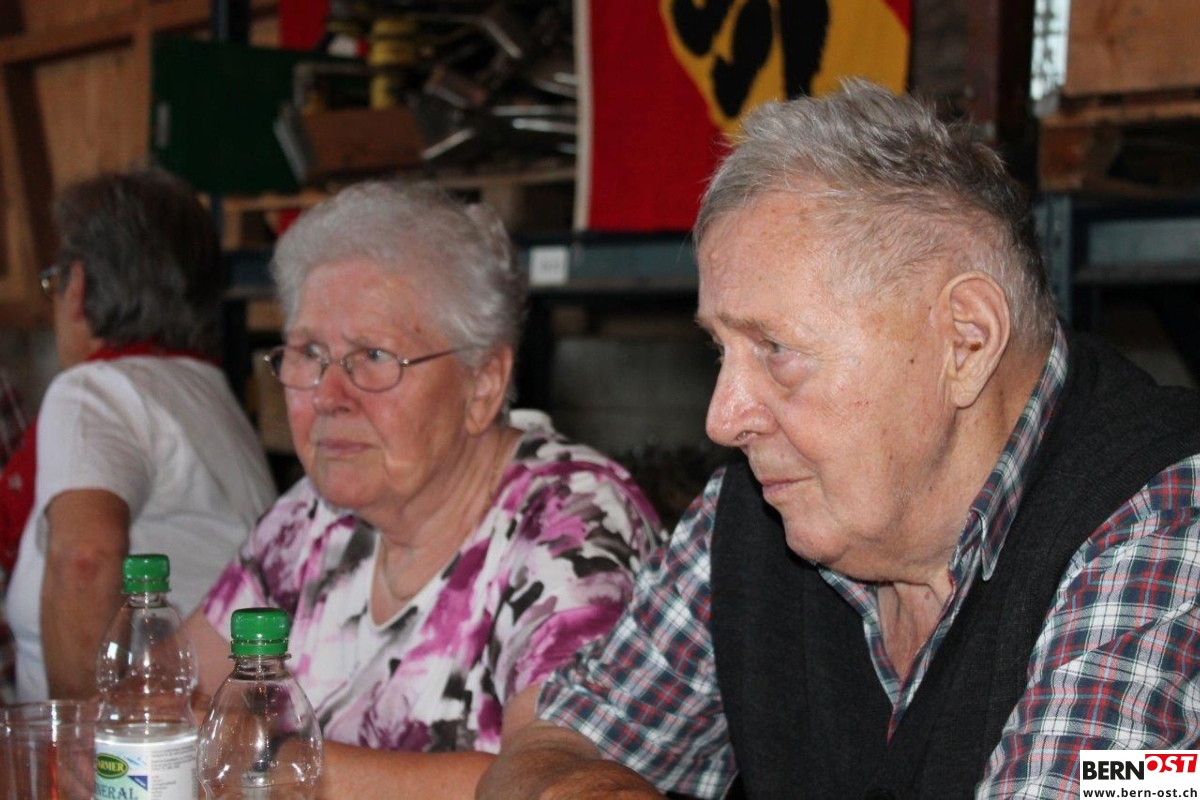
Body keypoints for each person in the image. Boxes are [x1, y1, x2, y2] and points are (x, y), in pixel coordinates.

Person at [478, 80, 1200, 799]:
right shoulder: (758, 515)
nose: (723, 419)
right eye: (721, 351)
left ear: (967, 341)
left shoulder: (1165, 520)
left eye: (776, 349)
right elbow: (552, 741)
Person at [181, 180, 662, 797]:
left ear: (483, 384)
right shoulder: (310, 517)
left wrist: (272, 762)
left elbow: (553, 781)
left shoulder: (574, 523)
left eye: (374, 357)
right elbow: (168, 692)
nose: (328, 395)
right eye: (308, 353)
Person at [5, 170, 276, 702]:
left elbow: (85, 561)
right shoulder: (205, 390)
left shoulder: (94, 391)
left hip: (147, 745)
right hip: (214, 726)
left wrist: (80, 743)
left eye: (53, 283)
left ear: (78, 286)